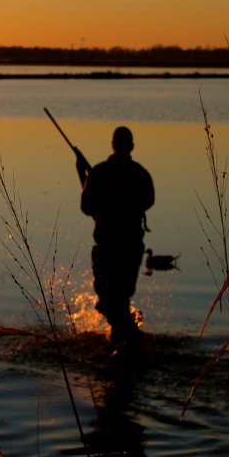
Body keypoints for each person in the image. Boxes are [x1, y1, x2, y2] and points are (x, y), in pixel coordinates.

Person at [76, 126, 154, 349]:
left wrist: (84, 178)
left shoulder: (99, 173)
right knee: (119, 298)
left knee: (109, 299)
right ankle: (125, 341)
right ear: (131, 147)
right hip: (130, 247)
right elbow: (149, 200)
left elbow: (86, 206)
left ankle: (127, 339)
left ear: (112, 145)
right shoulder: (140, 174)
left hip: (108, 247)